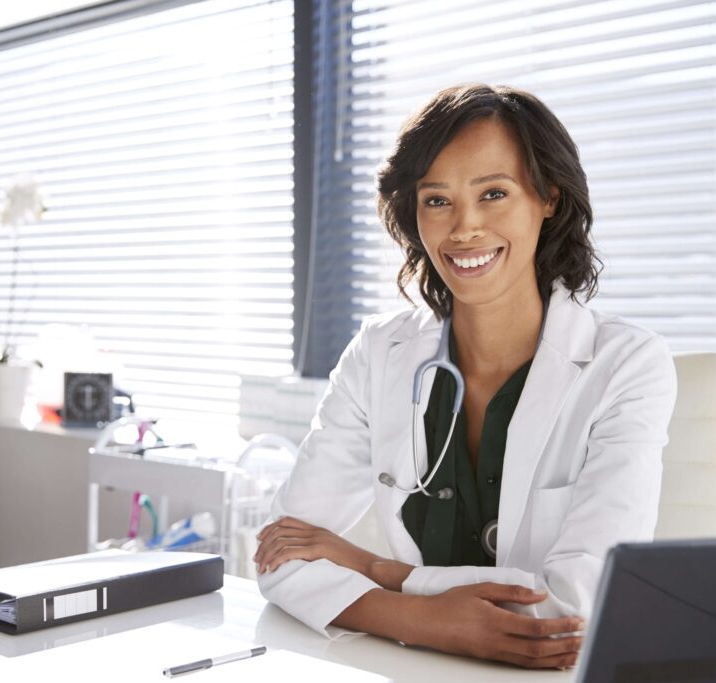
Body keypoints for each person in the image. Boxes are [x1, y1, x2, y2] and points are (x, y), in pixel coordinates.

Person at [253, 83, 677, 670]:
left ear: (549, 197)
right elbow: (284, 555)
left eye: (494, 194)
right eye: (436, 200)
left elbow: (572, 612)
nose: (464, 228)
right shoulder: (379, 353)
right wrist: (423, 619)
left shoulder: (626, 365)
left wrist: (379, 572)